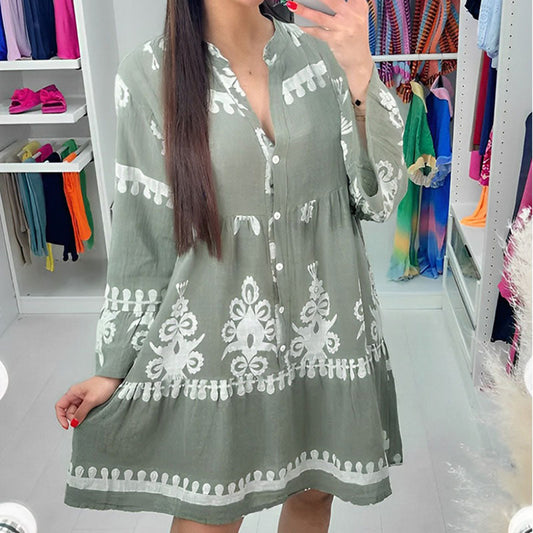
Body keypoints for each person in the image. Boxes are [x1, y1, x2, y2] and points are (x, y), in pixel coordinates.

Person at [55, 0, 407, 531]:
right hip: (220, 340)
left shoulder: (322, 55)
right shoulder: (148, 74)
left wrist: (361, 77)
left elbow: (375, 199)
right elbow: (142, 237)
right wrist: (114, 367)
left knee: (315, 494)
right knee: (212, 512)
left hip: (326, 333)